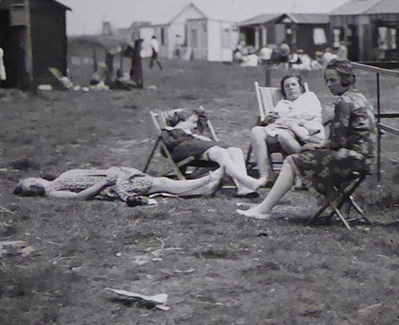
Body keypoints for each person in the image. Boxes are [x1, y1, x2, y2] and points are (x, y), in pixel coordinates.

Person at [239, 60, 375, 220]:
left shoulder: (344, 102)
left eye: (333, 80)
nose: (329, 85)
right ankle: (340, 205)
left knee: (293, 160)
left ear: (345, 79)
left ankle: (264, 209)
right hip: (364, 159)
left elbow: (337, 142)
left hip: (350, 159)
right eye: (327, 80)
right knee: (308, 157)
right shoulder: (360, 98)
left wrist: (315, 145)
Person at [158, 107, 265, 196]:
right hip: (183, 151)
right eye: (194, 122)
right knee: (220, 152)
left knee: (235, 150)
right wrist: (192, 137)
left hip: (201, 151)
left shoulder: (194, 133)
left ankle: (244, 188)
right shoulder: (169, 131)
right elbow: (165, 150)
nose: (195, 126)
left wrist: (199, 113)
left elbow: (203, 120)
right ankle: (245, 180)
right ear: (183, 119)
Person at [13, 165, 223, 205]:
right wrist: (105, 181)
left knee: (159, 184)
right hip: (111, 186)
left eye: (29, 181)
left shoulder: (58, 177)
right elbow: (79, 198)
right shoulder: (52, 191)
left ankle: (205, 188)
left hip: (114, 175)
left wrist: (112, 169)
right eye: (28, 189)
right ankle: (206, 180)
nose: (31, 185)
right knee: (159, 182)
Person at [248, 74, 325, 182]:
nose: (291, 88)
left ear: (300, 87)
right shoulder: (283, 103)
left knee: (283, 136)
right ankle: (265, 176)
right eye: (287, 86)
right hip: (282, 128)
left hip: (305, 130)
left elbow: (312, 113)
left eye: (294, 84)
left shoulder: (309, 97)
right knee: (256, 131)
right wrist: (268, 119)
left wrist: (287, 117)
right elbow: (276, 117)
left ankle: (303, 170)